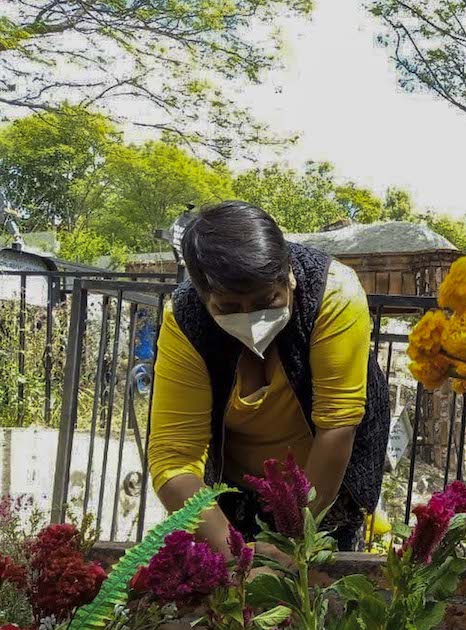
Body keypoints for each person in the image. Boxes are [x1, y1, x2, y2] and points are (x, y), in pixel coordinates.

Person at [148, 201, 390, 555]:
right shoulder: (186, 320)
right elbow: (174, 458)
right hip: (234, 489)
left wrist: (293, 546)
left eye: (268, 300)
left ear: (289, 276)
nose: (252, 318)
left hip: (322, 486)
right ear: (204, 297)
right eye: (228, 308)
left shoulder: (334, 293)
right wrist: (236, 557)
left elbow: (337, 425)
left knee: (316, 594)